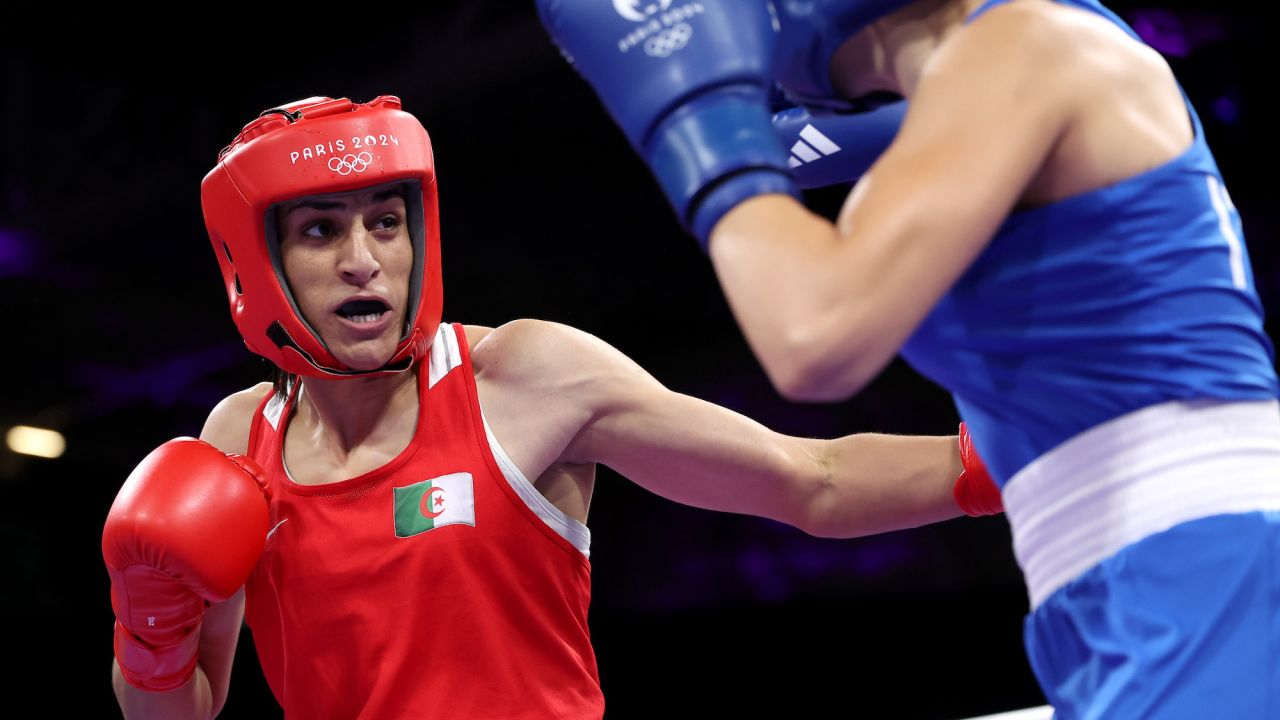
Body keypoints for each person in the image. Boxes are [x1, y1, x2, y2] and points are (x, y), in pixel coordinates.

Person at [101, 95, 1000, 719]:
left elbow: (813, 480)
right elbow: (176, 713)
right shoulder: (234, 442)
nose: (366, 260)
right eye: (320, 229)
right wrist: (150, 631)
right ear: (255, 262)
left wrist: (1007, 460)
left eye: (386, 220)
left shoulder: (525, 376)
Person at [537, 0, 1280, 716]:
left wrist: (697, 116)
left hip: (1203, 553)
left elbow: (811, 337)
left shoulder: (1027, 42)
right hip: (1105, 580)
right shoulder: (975, 93)